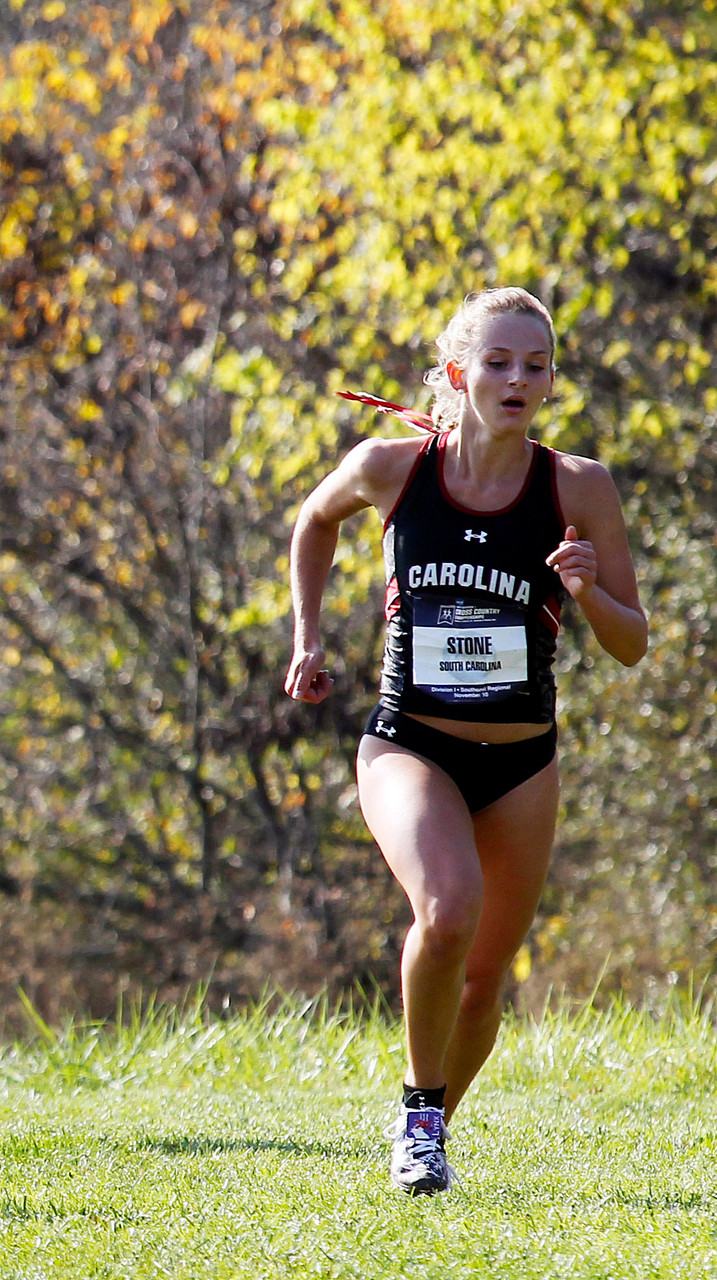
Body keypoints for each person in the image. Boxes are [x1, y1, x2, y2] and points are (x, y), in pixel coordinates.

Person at [284, 287, 648, 1196]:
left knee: (484, 981)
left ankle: (429, 1131)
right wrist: (307, 638)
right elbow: (314, 520)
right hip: (409, 743)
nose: (516, 378)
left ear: (550, 382)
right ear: (457, 373)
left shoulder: (577, 487)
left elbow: (631, 642)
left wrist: (586, 589)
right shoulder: (390, 468)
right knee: (447, 910)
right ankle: (417, 1117)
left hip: (522, 760)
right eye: (497, 362)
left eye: (535, 365)